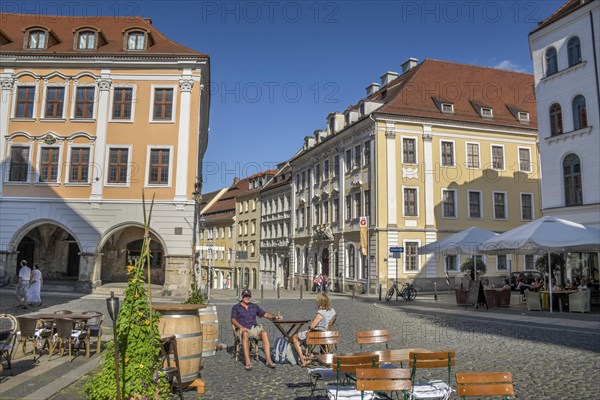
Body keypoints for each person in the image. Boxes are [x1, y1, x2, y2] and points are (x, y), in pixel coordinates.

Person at [231, 289, 282, 370]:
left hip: (253, 328)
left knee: (264, 333)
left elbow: (265, 314)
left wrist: (274, 317)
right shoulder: (236, 307)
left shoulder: (254, 306)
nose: (247, 298)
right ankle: (247, 361)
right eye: (245, 296)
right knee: (245, 334)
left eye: (249, 296)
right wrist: (240, 327)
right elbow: (233, 319)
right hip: (242, 329)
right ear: (242, 297)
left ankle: (268, 360)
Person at [292, 292, 336, 366]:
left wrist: (310, 326)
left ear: (320, 302)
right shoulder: (332, 311)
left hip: (317, 333)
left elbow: (312, 326)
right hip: (327, 333)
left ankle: (303, 359)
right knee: (305, 338)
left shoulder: (320, 313)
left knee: (295, 337)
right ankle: (310, 355)